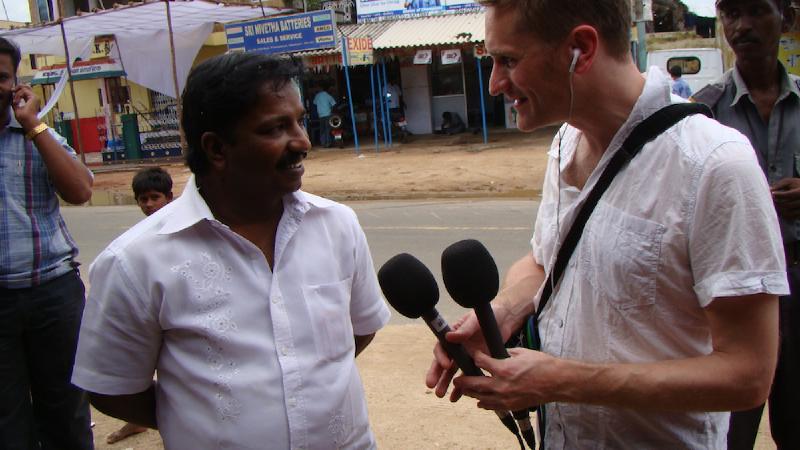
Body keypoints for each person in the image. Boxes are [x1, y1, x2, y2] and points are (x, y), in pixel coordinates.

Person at [425, 1, 787, 448]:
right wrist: (503, 312)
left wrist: (564, 382)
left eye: (509, 61)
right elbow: (544, 261)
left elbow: (747, 375)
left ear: (580, 48)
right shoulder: (566, 141)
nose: (496, 84)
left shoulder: (714, 165)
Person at [71, 52, 391, 449]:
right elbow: (111, 388)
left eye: (300, 121)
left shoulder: (337, 226)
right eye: (276, 128)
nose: (303, 142)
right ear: (216, 149)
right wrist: (198, 417)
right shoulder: (135, 261)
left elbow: (359, 330)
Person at [693, 1, 799, 448]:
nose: (742, 26)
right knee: (727, 434)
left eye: (756, 10)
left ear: (787, 19)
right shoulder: (702, 112)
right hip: (732, 299)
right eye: (731, 13)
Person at [0, 37, 94, 449]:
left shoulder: (39, 136)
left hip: (53, 294)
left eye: (1, 77)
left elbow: (80, 191)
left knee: (67, 411)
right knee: (6, 420)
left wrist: (33, 125)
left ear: (16, 82)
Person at [104, 166, 175, 445]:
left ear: (170, 197)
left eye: (154, 198)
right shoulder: (138, 236)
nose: (148, 205)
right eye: (142, 200)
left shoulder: (181, 225)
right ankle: (136, 421)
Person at [313, 82, 337, 148]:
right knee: (328, 129)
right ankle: (328, 143)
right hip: (328, 114)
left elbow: (314, 103)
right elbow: (334, 104)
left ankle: (323, 143)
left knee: (322, 129)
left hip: (320, 115)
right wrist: (331, 110)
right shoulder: (328, 95)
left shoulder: (317, 96)